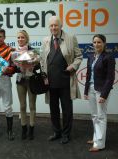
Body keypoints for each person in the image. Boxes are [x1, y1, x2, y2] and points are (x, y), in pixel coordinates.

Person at [40, 16, 82, 144]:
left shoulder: (71, 38)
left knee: (67, 109)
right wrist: (44, 76)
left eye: (56, 25)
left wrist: (73, 66)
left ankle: (66, 134)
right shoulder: (46, 40)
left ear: (61, 25)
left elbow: (79, 56)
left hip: (65, 81)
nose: (53, 28)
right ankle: (56, 132)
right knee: (53, 109)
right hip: (51, 82)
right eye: (51, 26)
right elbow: (42, 59)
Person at [84, 34, 115, 152]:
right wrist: (86, 90)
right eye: (95, 42)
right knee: (94, 115)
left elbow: (110, 78)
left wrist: (104, 94)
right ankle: (96, 138)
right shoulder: (91, 56)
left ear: (104, 43)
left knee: (101, 116)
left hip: (101, 90)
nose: (96, 44)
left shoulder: (108, 57)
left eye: (99, 42)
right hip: (91, 89)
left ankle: (100, 144)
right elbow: (88, 75)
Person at [14, 30, 38, 140]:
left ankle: (32, 129)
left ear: (26, 39)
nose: (20, 39)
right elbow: (13, 68)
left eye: (22, 37)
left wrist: (32, 63)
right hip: (20, 80)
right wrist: (17, 65)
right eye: (18, 38)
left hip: (32, 80)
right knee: (22, 106)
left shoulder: (33, 51)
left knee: (32, 106)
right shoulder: (14, 52)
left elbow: (38, 66)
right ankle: (24, 128)